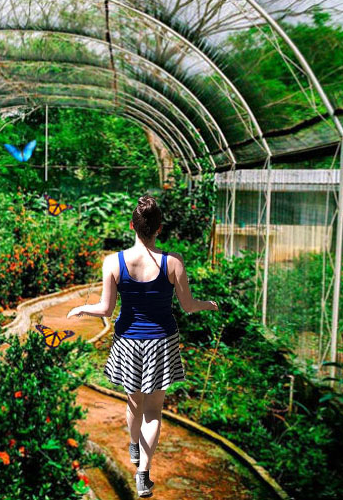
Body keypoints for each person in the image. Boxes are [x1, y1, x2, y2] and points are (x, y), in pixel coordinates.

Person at [67, 195, 218, 498]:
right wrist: (208, 304)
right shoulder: (173, 262)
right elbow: (188, 306)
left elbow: (106, 309)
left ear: (131, 226)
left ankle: (134, 445)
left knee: (134, 403)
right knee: (153, 411)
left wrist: (83, 309)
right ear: (159, 228)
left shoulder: (113, 262)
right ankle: (143, 474)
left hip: (127, 342)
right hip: (162, 342)